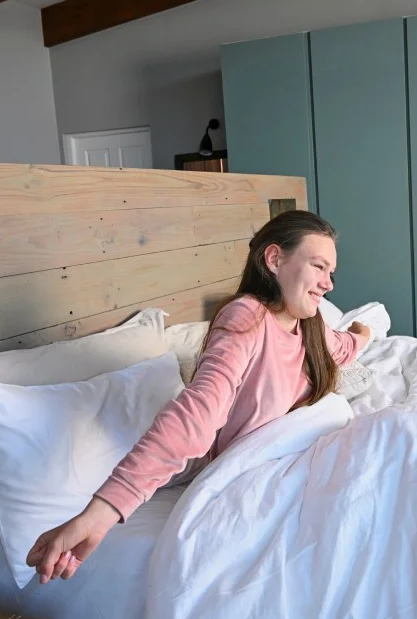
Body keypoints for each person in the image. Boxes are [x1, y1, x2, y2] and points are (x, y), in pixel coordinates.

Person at [27, 210, 372, 584]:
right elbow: (196, 416)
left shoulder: (312, 324)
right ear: (274, 259)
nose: (328, 284)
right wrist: (102, 511)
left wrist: (363, 333)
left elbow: (343, 348)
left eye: (331, 273)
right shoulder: (247, 319)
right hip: (261, 475)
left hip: (304, 461)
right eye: (319, 267)